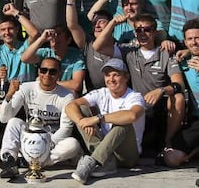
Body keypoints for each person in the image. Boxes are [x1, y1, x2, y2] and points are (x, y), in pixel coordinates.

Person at [93, 13, 185, 154]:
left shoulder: (165, 53)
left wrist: (160, 91)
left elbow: (179, 84)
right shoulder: (129, 52)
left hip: (158, 108)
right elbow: (98, 46)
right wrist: (112, 23)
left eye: (147, 30)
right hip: (135, 107)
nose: (142, 33)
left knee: (178, 98)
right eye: (138, 30)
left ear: (154, 32)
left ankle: (167, 144)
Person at [0, 57, 82, 179]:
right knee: (13, 122)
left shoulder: (67, 95)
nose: (47, 74)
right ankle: (8, 160)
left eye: (52, 71)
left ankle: (32, 163)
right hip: (28, 139)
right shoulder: (26, 88)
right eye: (44, 70)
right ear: (38, 72)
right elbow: (4, 118)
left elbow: (66, 129)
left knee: (73, 144)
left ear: (59, 74)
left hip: (51, 142)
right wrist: (9, 94)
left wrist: (44, 146)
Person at [66, 58, 145, 184]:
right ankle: (105, 162)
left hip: (126, 156)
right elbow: (70, 106)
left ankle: (92, 161)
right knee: (81, 109)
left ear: (126, 77)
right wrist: (82, 121)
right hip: (105, 149)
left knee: (123, 123)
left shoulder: (135, 96)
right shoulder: (101, 92)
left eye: (116, 75)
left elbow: (132, 115)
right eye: (108, 75)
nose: (111, 79)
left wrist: (98, 118)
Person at [65, 0, 120, 91]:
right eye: (94, 23)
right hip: (94, 96)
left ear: (111, 24)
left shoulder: (120, 46)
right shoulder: (87, 44)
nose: (97, 26)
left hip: (117, 94)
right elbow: (72, 25)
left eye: (101, 22)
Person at [164, 19, 199, 167]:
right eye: (190, 39)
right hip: (196, 119)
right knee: (171, 158)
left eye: (197, 38)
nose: (194, 42)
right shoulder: (183, 61)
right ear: (184, 42)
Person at [21, 25, 86, 97]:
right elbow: (25, 58)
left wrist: (48, 82)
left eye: (58, 42)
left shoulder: (76, 55)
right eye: (52, 41)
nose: (54, 45)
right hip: (45, 94)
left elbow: (76, 85)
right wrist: (41, 39)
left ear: (68, 40)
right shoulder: (46, 53)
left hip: (66, 94)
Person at [0, 3, 39, 85]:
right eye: (3, 30)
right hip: (8, 91)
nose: (7, 32)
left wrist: (15, 12)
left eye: (10, 28)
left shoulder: (26, 46)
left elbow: (35, 33)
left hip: (29, 92)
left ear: (17, 29)